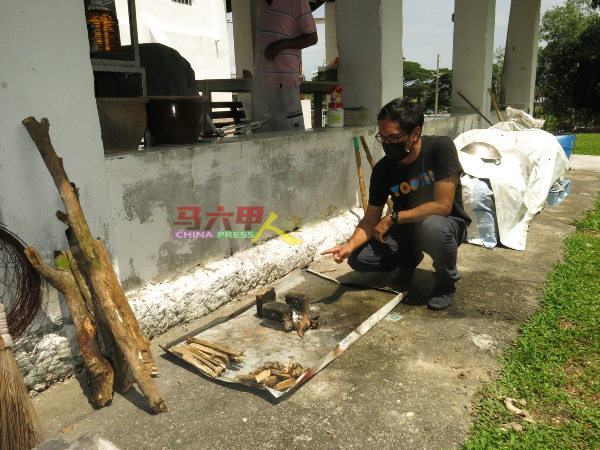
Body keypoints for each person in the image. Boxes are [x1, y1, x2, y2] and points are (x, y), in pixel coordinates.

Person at [321, 99, 471, 310]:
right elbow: (371, 217)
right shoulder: (383, 169)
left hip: (447, 225)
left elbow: (443, 206)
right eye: (383, 137)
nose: (387, 143)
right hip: (407, 228)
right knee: (359, 259)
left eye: (393, 137)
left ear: (415, 132)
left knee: (434, 227)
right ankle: (409, 257)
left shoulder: (440, 147)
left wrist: (393, 218)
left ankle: (446, 283)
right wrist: (349, 246)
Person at [252, 0, 318, 133]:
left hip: (285, 82)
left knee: (290, 137)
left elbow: (312, 37)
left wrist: (280, 45)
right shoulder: (261, 3)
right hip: (260, 82)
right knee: (262, 137)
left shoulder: (297, 2)